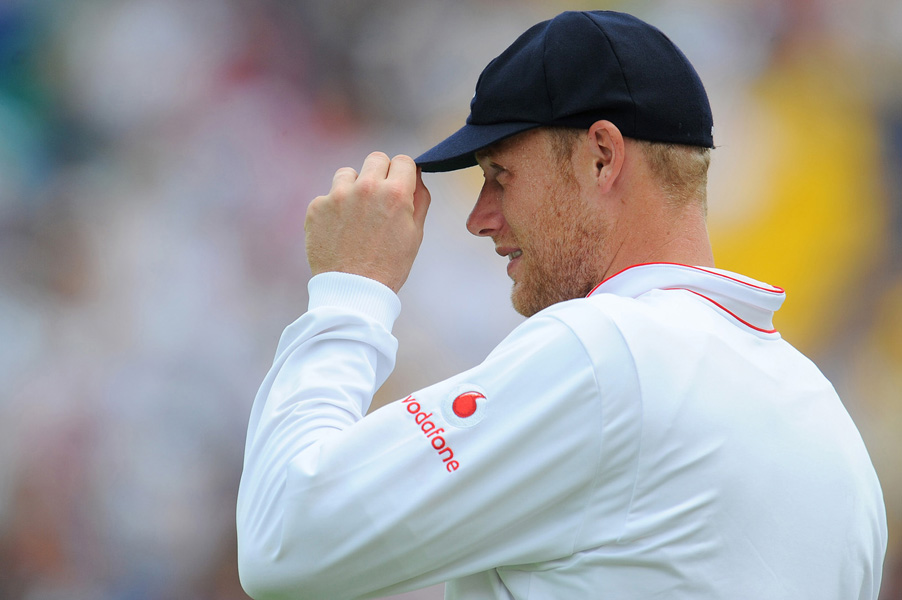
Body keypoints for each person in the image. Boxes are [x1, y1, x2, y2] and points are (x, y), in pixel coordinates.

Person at [236, 10, 887, 600]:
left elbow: (284, 540)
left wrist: (350, 291)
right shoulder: (829, 428)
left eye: (500, 175)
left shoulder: (606, 353)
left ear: (602, 157)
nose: (480, 218)